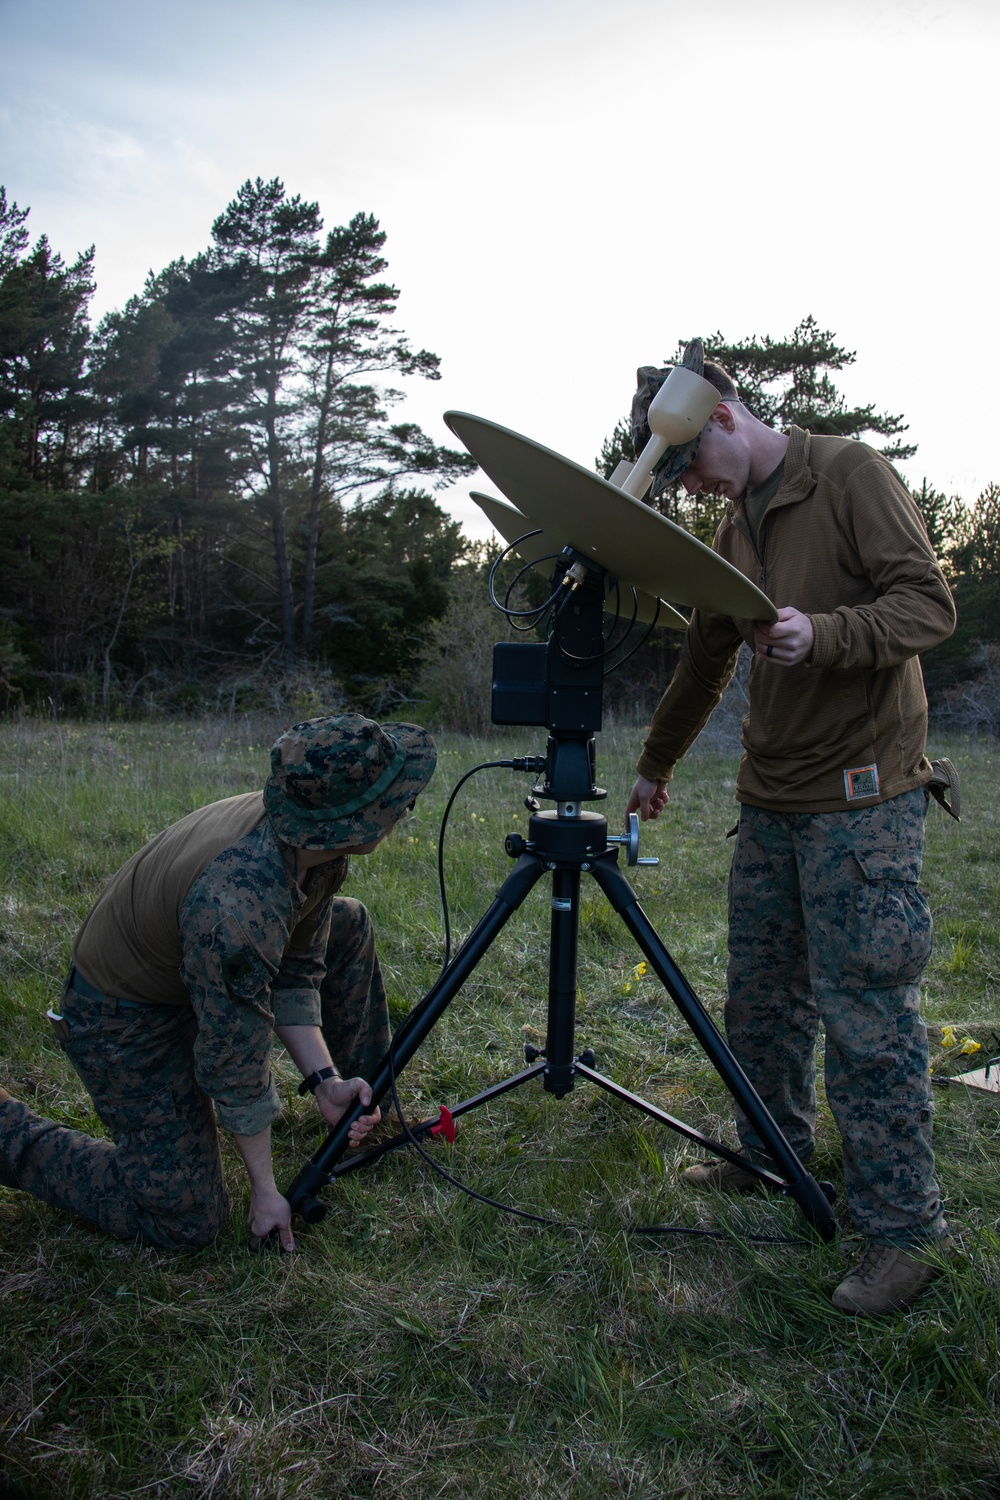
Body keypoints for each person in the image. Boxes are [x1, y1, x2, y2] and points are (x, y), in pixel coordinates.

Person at [624, 350, 957, 1315]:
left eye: (686, 466)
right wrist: (657, 763)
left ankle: (902, 1233)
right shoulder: (731, 531)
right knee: (762, 998)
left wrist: (829, 632)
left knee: (867, 1017)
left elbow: (927, 604)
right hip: (771, 797)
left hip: (863, 798)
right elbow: (704, 658)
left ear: (724, 419)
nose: (686, 487)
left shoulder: (849, 473)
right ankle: (770, 1152)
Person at [0, 713, 436, 1253]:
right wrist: (267, 1192)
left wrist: (325, 1080)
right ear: (355, 824)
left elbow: (298, 968)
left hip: (199, 968)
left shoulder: (313, 846)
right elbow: (235, 1059)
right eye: (396, 802)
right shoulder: (240, 902)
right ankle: (8, 1132)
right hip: (124, 1013)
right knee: (187, 1220)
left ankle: (362, 1109)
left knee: (347, 923)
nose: (404, 810)